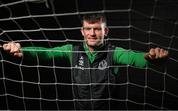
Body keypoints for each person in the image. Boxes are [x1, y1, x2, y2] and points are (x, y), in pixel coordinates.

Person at [2, 13, 168, 110]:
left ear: (106, 31)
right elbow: (46, 53)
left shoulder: (114, 53)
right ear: (82, 31)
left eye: (97, 29)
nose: (93, 33)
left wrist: (151, 57)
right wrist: (22, 50)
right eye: (88, 29)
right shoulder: (72, 51)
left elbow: (135, 58)